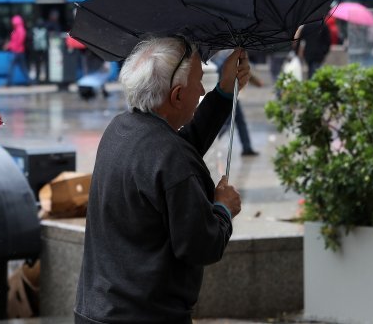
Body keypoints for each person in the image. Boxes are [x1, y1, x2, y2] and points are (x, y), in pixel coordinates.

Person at [74, 37, 245, 323]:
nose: (202, 90)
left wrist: (224, 93)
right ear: (177, 95)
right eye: (199, 82)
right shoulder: (170, 157)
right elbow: (201, 244)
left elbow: (176, 150)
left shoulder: (120, 129)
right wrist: (223, 209)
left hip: (97, 310)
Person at [213, 49, 261, 156]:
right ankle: (212, 141)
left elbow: (245, 72)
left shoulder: (231, 54)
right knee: (226, 122)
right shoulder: (229, 55)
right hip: (229, 95)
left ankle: (247, 147)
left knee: (239, 121)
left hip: (232, 95)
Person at [4, 14, 30, 86]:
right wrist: (9, 45)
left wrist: (11, 46)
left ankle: (9, 83)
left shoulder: (20, 30)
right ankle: (28, 81)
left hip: (17, 52)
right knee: (22, 67)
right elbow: (13, 41)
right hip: (17, 51)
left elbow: (19, 41)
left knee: (12, 67)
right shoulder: (16, 30)